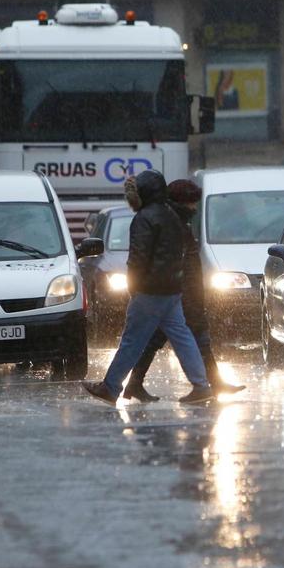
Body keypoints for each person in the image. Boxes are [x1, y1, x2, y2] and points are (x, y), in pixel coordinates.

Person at [83, 170, 214, 406]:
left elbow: (138, 258)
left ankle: (110, 387)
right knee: (182, 337)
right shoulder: (171, 216)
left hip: (149, 290)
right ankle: (201, 385)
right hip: (172, 289)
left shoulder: (144, 218)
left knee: (132, 340)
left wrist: (134, 286)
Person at [122, 179, 243, 402]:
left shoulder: (179, 222)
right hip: (179, 292)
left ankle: (134, 384)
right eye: (191, 203)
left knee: (162, 340)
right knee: (191, 338)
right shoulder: (173, 223)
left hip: (180, 291)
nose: (195, 208)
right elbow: (175, 262)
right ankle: (207, 384)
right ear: (181, 202)